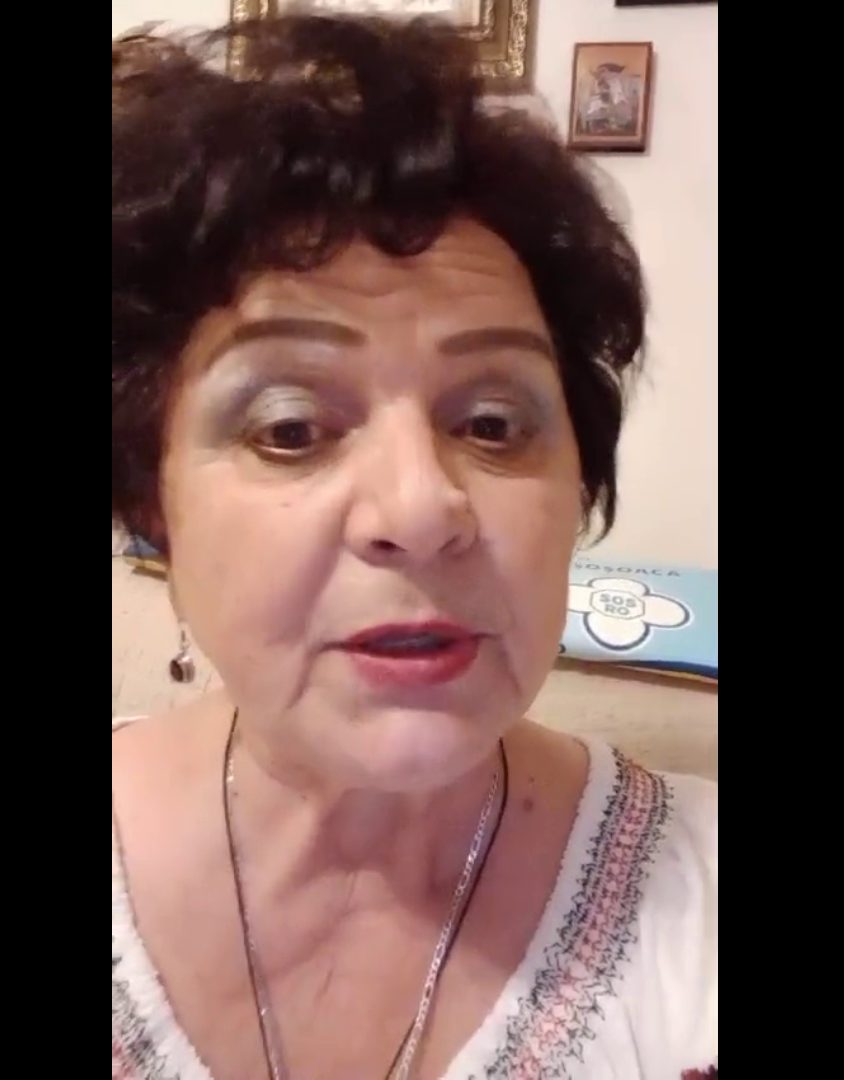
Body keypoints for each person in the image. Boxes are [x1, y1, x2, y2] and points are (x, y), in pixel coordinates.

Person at [111, 14, 717, 1078]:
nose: (425, 506)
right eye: (290, 428)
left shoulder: (694, 912)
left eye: (492, 423)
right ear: (151, 499)